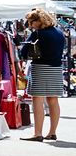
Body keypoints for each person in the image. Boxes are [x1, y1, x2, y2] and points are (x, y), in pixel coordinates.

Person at [21, 8, 65, 141]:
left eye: (31, 22)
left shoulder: (38, 34)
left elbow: (23, 52)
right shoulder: (59, 33)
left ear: (38, 21)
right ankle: (52, 132)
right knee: (53, 99)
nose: (30, 25)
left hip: (40, 68)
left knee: (37, 99)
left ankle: (37, 133)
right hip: (56, 68)